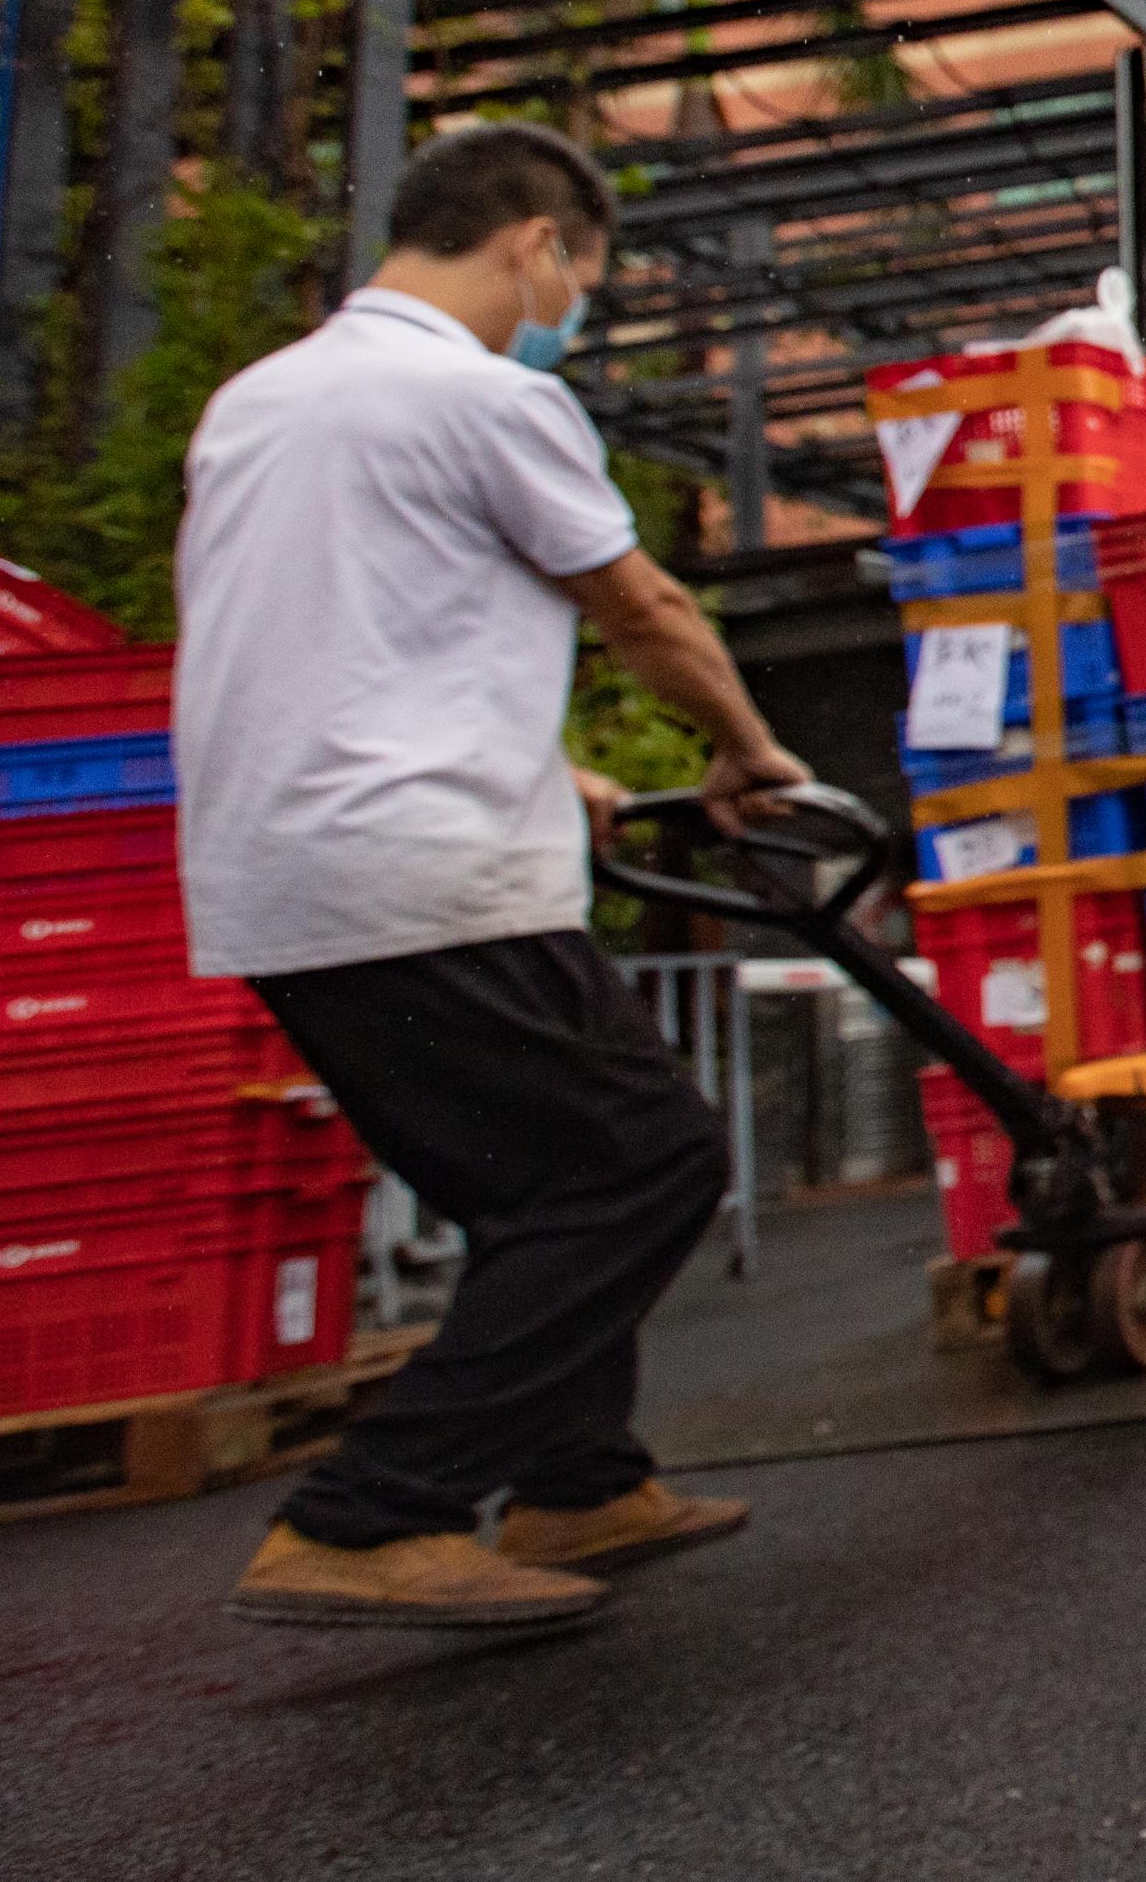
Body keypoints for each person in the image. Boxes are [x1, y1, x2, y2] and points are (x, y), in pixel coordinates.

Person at [175, 122, 813, 1630]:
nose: (570, 307)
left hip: (281, 874)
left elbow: (343, 634)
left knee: (532, 1188)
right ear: (537, 246)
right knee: (645, 1164)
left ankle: (577, 1481)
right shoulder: (484, 399)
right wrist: (745, 751)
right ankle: (368, 1514)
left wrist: (562, 775)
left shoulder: (259, 405)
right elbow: (645, 608)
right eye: (579, 276)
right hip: (426, 870)